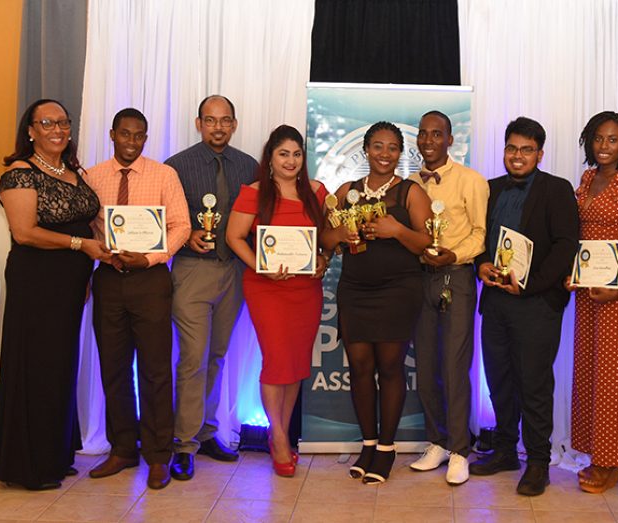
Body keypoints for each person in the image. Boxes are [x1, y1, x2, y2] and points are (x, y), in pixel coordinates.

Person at [0, 99, 109, 490]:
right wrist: (82, 246)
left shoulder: (72, 169)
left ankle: (56, 454)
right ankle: (29, 465)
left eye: (63, 122)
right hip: (37, 281)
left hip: (71, 282)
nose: (57, 129)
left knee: (60, 366)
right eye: (47, 123)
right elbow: (25, 232)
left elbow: (90, 220)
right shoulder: (20, 173)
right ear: (30, 130)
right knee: (36, 366)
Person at [471, 117, 579, 496]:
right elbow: (478, 237)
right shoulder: (490, 188)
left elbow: (566, 246)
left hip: (536, 304)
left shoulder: (557, 189)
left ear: (540, 154)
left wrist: (530, 285)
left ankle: (537, 461)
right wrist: (481, 262)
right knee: (499, 379)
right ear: (504, 150)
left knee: (533, 383)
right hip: (496, 301)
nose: (518, 156)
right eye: (512, 148)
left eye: (526, 150)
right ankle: (504, 450)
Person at [320, 121, 432, 484]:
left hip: (398, 290)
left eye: (392, 148)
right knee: (360, 366)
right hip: (354, 289)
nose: (385, 154)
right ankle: (367, 443)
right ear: (366, 150)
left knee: (390, 367)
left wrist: (396, 230)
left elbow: (426, 245)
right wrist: (340, 234)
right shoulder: (346, 190)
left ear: (401, 154)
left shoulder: (410, 193)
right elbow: (326, 239)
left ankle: (386, 447)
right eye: (378, 146)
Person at [86, 108, 190, 490]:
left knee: (156, 370)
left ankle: (159, 455)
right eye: (125, 134)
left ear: (146, 138)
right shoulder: (92, 177)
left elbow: (181, 225)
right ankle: (123, 448)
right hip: (109, 280)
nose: (131, 142)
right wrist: (101, 252)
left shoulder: (164, 175)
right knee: (113, 368)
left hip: (150, 280)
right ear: (112, 134)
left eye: (139, 136)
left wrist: (149, 257)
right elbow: (86, 228)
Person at [226, 125, 328, 477]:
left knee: (296, 363)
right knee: (276, 360)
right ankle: (281, 437)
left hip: (306, 290)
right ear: (269, 157)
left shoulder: (317, 191)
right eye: (283, 153)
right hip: (266, 288)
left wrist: (322, 261)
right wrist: (261, 267)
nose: (291, 160)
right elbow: (234, 237)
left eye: (297, 154)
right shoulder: (253, 193)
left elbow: (325, 241)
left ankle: (278, 432)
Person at [165, 95, 258, 481]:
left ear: (234, 124)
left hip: (234, 271)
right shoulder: (176, 166)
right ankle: (182, 444)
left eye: (225, 121)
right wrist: (187, 239)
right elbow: (168, 217)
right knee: (193, 358)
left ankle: (205, 433)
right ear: (198, 123)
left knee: (217, 355)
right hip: (192, 271)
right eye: (210, 120)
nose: (217, 127)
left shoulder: (250, 166)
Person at [566, 112, 618, 493]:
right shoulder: (586, 178)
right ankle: (593, 451)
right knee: (588, 368)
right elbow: (581, 234)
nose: (604, 146)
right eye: (598, 138)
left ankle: (611, 461)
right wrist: (573, 273)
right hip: (587, 286)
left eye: (612, 140)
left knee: (613, 375)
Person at [407, 111, 488, 485]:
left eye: (437, 134)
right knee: (426, 366)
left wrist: (454, 255)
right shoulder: (408, 183)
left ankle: (460, 450)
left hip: (455, 277)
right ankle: (437, 441)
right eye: (423, 134)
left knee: (455, 366)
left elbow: (479, 234)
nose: (428, 140)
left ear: (450, 140)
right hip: (420, 279)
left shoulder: (471, 181)